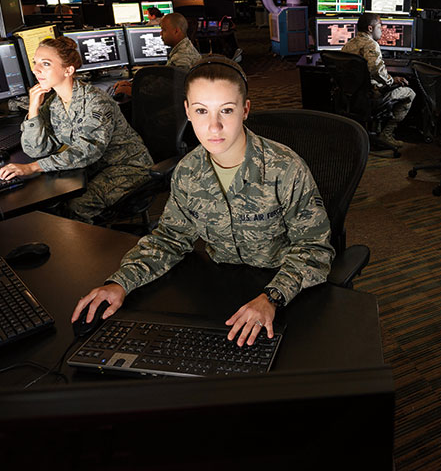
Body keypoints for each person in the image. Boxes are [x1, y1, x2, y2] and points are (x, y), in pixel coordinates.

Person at [71, 57, 334, 346]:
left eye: (227, 110)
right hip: (222, 287)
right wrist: (121, 282)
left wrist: (272, 296)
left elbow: (314, 249)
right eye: (201, 111)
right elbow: (170, 238)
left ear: (245, 110)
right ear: (187, 111)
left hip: (285, 291)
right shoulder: (187, 172)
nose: (214, 127)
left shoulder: (285, 168)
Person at [0, 37, 154, 223]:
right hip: (94, 167)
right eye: (35, 62)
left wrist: (31, 167)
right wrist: (33, 110)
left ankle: (91, 248)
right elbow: (35, 149)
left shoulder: (96, 102)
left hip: (128, 168)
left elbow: (87, 151)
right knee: (51, 201)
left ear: (68, 70)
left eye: (45, 64)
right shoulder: (54, 103)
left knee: (77, 205)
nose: (35, 70)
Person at [340, 12, 416, 147]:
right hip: (371, 97)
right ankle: (386, 134)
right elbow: (377, 71)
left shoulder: (349, 44)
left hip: (350, 96)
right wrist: (393, 80)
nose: (382, 30)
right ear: (370, 29)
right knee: (409, 93)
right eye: (380, 27)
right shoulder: (371, 45)